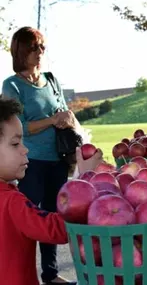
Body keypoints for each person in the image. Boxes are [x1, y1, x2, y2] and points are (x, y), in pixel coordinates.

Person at [1, 27, 79, 285]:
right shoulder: (12, 85)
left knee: (52, 210)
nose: (39, 52)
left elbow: (65, 110)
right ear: (21, 51)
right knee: (32, 217)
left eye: (42, 47)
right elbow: (19, 125)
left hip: (56, 158)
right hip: (31, 163)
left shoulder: (51, 79)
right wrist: (52, 120)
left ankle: (50, 272)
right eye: (34, 48)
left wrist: (67, 120)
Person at [0, 98, 103, 285]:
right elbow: (58, 229)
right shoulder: (10, 202)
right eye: (15, 144)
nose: (25, 150)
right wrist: (84, 178)